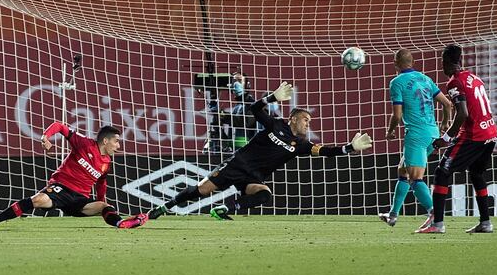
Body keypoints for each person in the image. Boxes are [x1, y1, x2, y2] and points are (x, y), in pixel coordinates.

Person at [148, 81, 373, 220]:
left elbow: (325, 151)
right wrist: (272, 97)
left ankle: (224, 209)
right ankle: (164, 207)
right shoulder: (275, 124)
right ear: (293, 118)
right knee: (201, 190)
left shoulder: (301, 145)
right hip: (237, 164)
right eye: (305, 119)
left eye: (309, 121)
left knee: (264, 194)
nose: (307, 124)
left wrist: (349, 148)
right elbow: (255, 108)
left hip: (254, 176)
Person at [0, 123, 148, 229]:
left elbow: (101, 184)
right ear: (105, 141)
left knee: (104, 206)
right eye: (116, 141)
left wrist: (101, 201)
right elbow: (60, 126)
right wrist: (46, 137)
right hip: (61, 188)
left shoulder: (106, 162)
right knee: (38, 200)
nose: (118, 146)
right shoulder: (84, 143)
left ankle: (122, 223)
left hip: (80, 199)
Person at [417, 45, 497, 234]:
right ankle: (486, 223)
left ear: (447, 62)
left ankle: (437, 224)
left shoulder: (454, 82)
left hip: (474, 136)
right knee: (477, 174)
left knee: (442, 172)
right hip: (491, 133)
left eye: (442, 62)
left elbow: (462, 113)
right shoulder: (474, 78)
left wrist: (445, 138)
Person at [378, 49, 453, 227]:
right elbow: (447, 104)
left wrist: (390, 131)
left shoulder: (397, 82)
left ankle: (435, 214)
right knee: (403, 170)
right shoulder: (425, 79)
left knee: (415, 178)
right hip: (433, 134)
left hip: (416, 136)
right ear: (412, 63)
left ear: (395, 63)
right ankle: (393, 214)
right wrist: (444, 123)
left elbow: (397, 115)